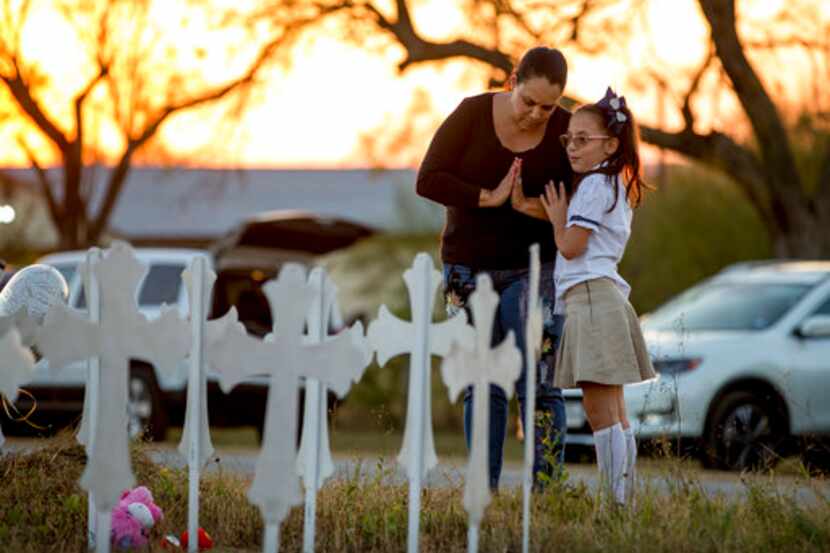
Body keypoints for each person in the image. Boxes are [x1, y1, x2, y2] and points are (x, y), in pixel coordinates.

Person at [417, 46, 573, 490]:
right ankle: (482, 490)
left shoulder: (565, 130)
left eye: (549, 106)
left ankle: (548, 492)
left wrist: (530, 207)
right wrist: (486, 196)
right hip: (467, 269)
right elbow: (428, 179)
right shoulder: (471, 114)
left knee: (540, 380)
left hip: (536, 267)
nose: (537, 114)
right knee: (481, 379)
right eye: (529, 102)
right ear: (512, 82)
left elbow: (581, 207)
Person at [540, 87, 656, 506]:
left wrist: (557, 219)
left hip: (591, 299)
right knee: (616, 411)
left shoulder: (594, 185)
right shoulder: (615, 181)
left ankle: (615, 502)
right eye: (569, 139)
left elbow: (571, 247)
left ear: (610, 143)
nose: (573, 147)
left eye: (583, 139)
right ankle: (622, 499)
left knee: (599, 410)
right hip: (602, 297)